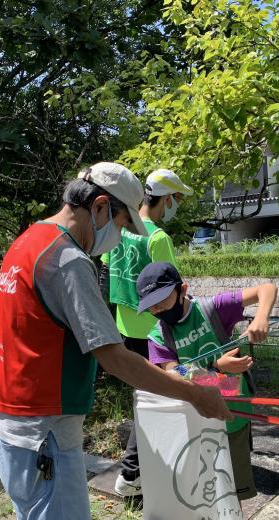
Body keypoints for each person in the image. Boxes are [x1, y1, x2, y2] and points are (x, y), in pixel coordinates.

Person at [0, 162, 232, 520]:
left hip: (9, 431)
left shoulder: (27, 241)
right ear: (100, 207)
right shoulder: (67, 260)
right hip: (44, 439)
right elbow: (115, 357)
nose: (119, 236)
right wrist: (196, 396)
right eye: (120, 223)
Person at [135, 261, 277, 520]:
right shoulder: (159, 334)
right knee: (202, 491)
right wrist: (215, 365)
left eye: (162, 301)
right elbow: (173, 374)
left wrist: (260, 318)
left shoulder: (211, 308)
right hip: (195, 423)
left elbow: (266, 288)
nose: (157, 310)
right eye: (150, 305)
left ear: (182, 290)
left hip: (233, 416)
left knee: (231, 496)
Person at [104, 169, 194, 497]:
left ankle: (144, 470)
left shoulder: (121, 232)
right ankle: (130, 476)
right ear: (166, 199)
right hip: (155, 334)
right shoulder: (157, 238)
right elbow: (172, 289)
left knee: (147, 398)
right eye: (177, 199)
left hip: (125, 330)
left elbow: (109, 271)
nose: (177, 205)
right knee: (157, 398)